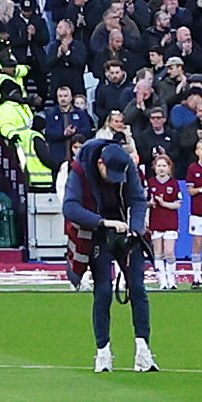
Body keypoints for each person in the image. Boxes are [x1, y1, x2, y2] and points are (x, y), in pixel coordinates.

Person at [57, 106, 158, 378]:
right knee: (102, 291)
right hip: (98, 231)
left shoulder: (127, 165)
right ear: (100, 165)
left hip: (127, 233)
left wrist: (135, 230)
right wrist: (104, 223)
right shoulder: (80, 169)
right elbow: (70, 208)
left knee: (137, 288)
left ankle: (143, 350)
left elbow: (138, 199)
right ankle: (103, 352)